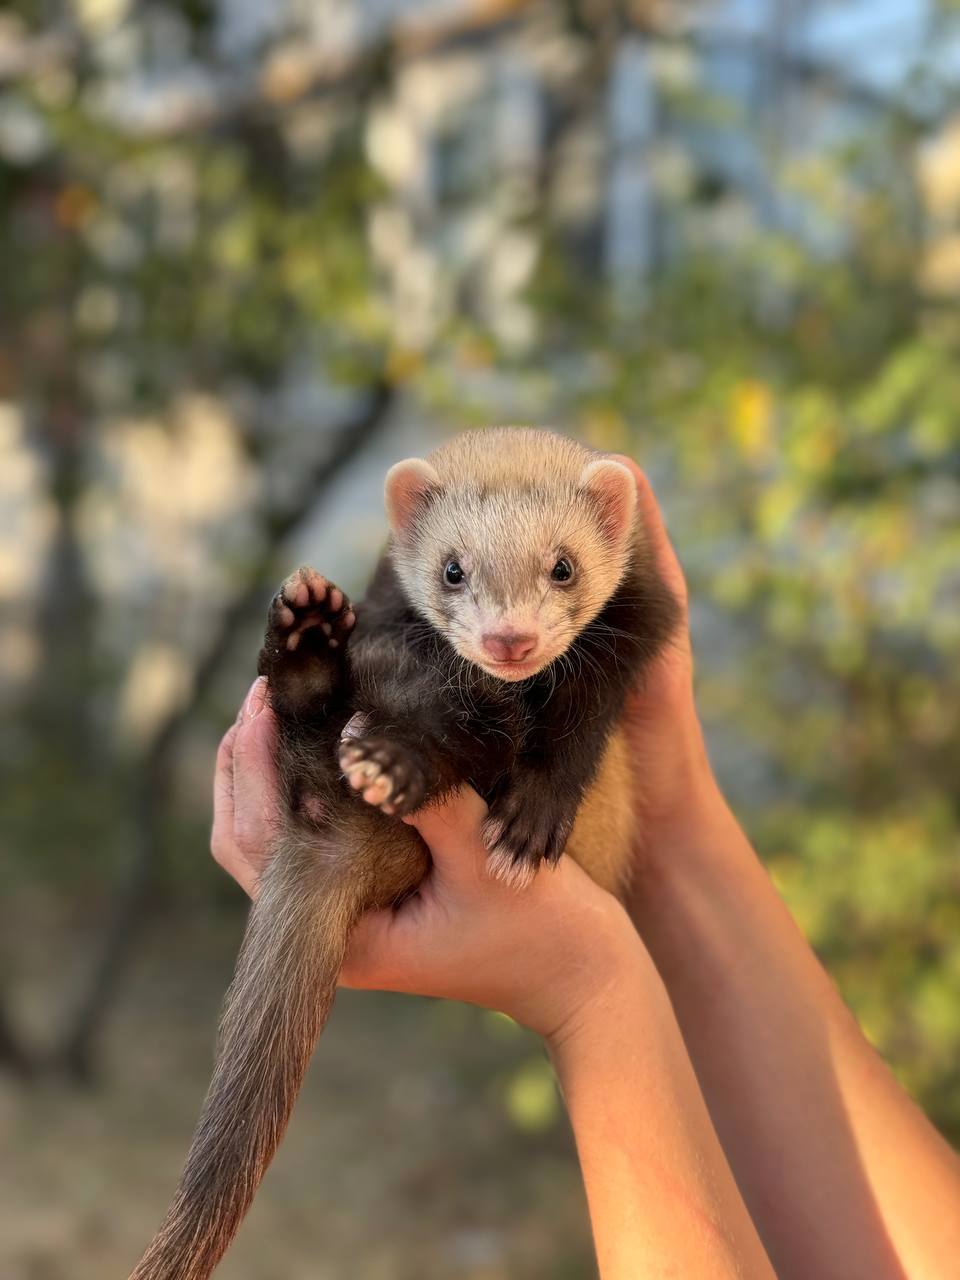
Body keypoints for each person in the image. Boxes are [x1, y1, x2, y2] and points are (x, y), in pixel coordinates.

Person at [211, 462, 960, 1280]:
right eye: (457, 573)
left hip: (420, 802)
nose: (509, 627)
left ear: (614, 525)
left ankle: (321, 711)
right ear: (411, 529)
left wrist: (590, 988)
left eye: (560, 572)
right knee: (413, 697)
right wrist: (673, 817)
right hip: (395, 784)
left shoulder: (607, 625)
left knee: (441, 720)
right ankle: (320, 707)